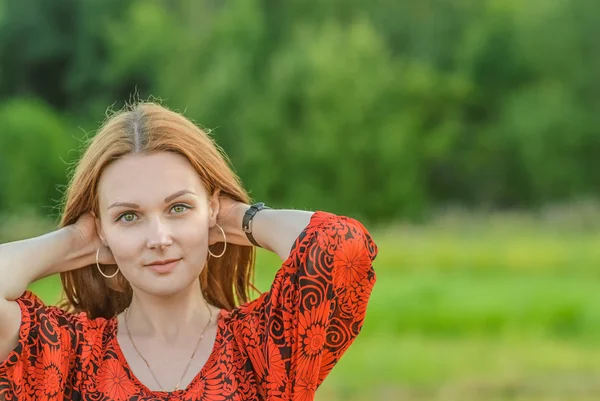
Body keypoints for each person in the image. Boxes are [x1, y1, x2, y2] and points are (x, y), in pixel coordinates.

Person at [0, 102, 378, 401]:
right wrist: (77, 241)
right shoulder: (64, 354)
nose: (159, 237)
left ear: (211, 208)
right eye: (129, 216)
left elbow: (341, 245)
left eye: (178, 208)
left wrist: (234, 218)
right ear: (102, 229)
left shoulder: (265, 346)